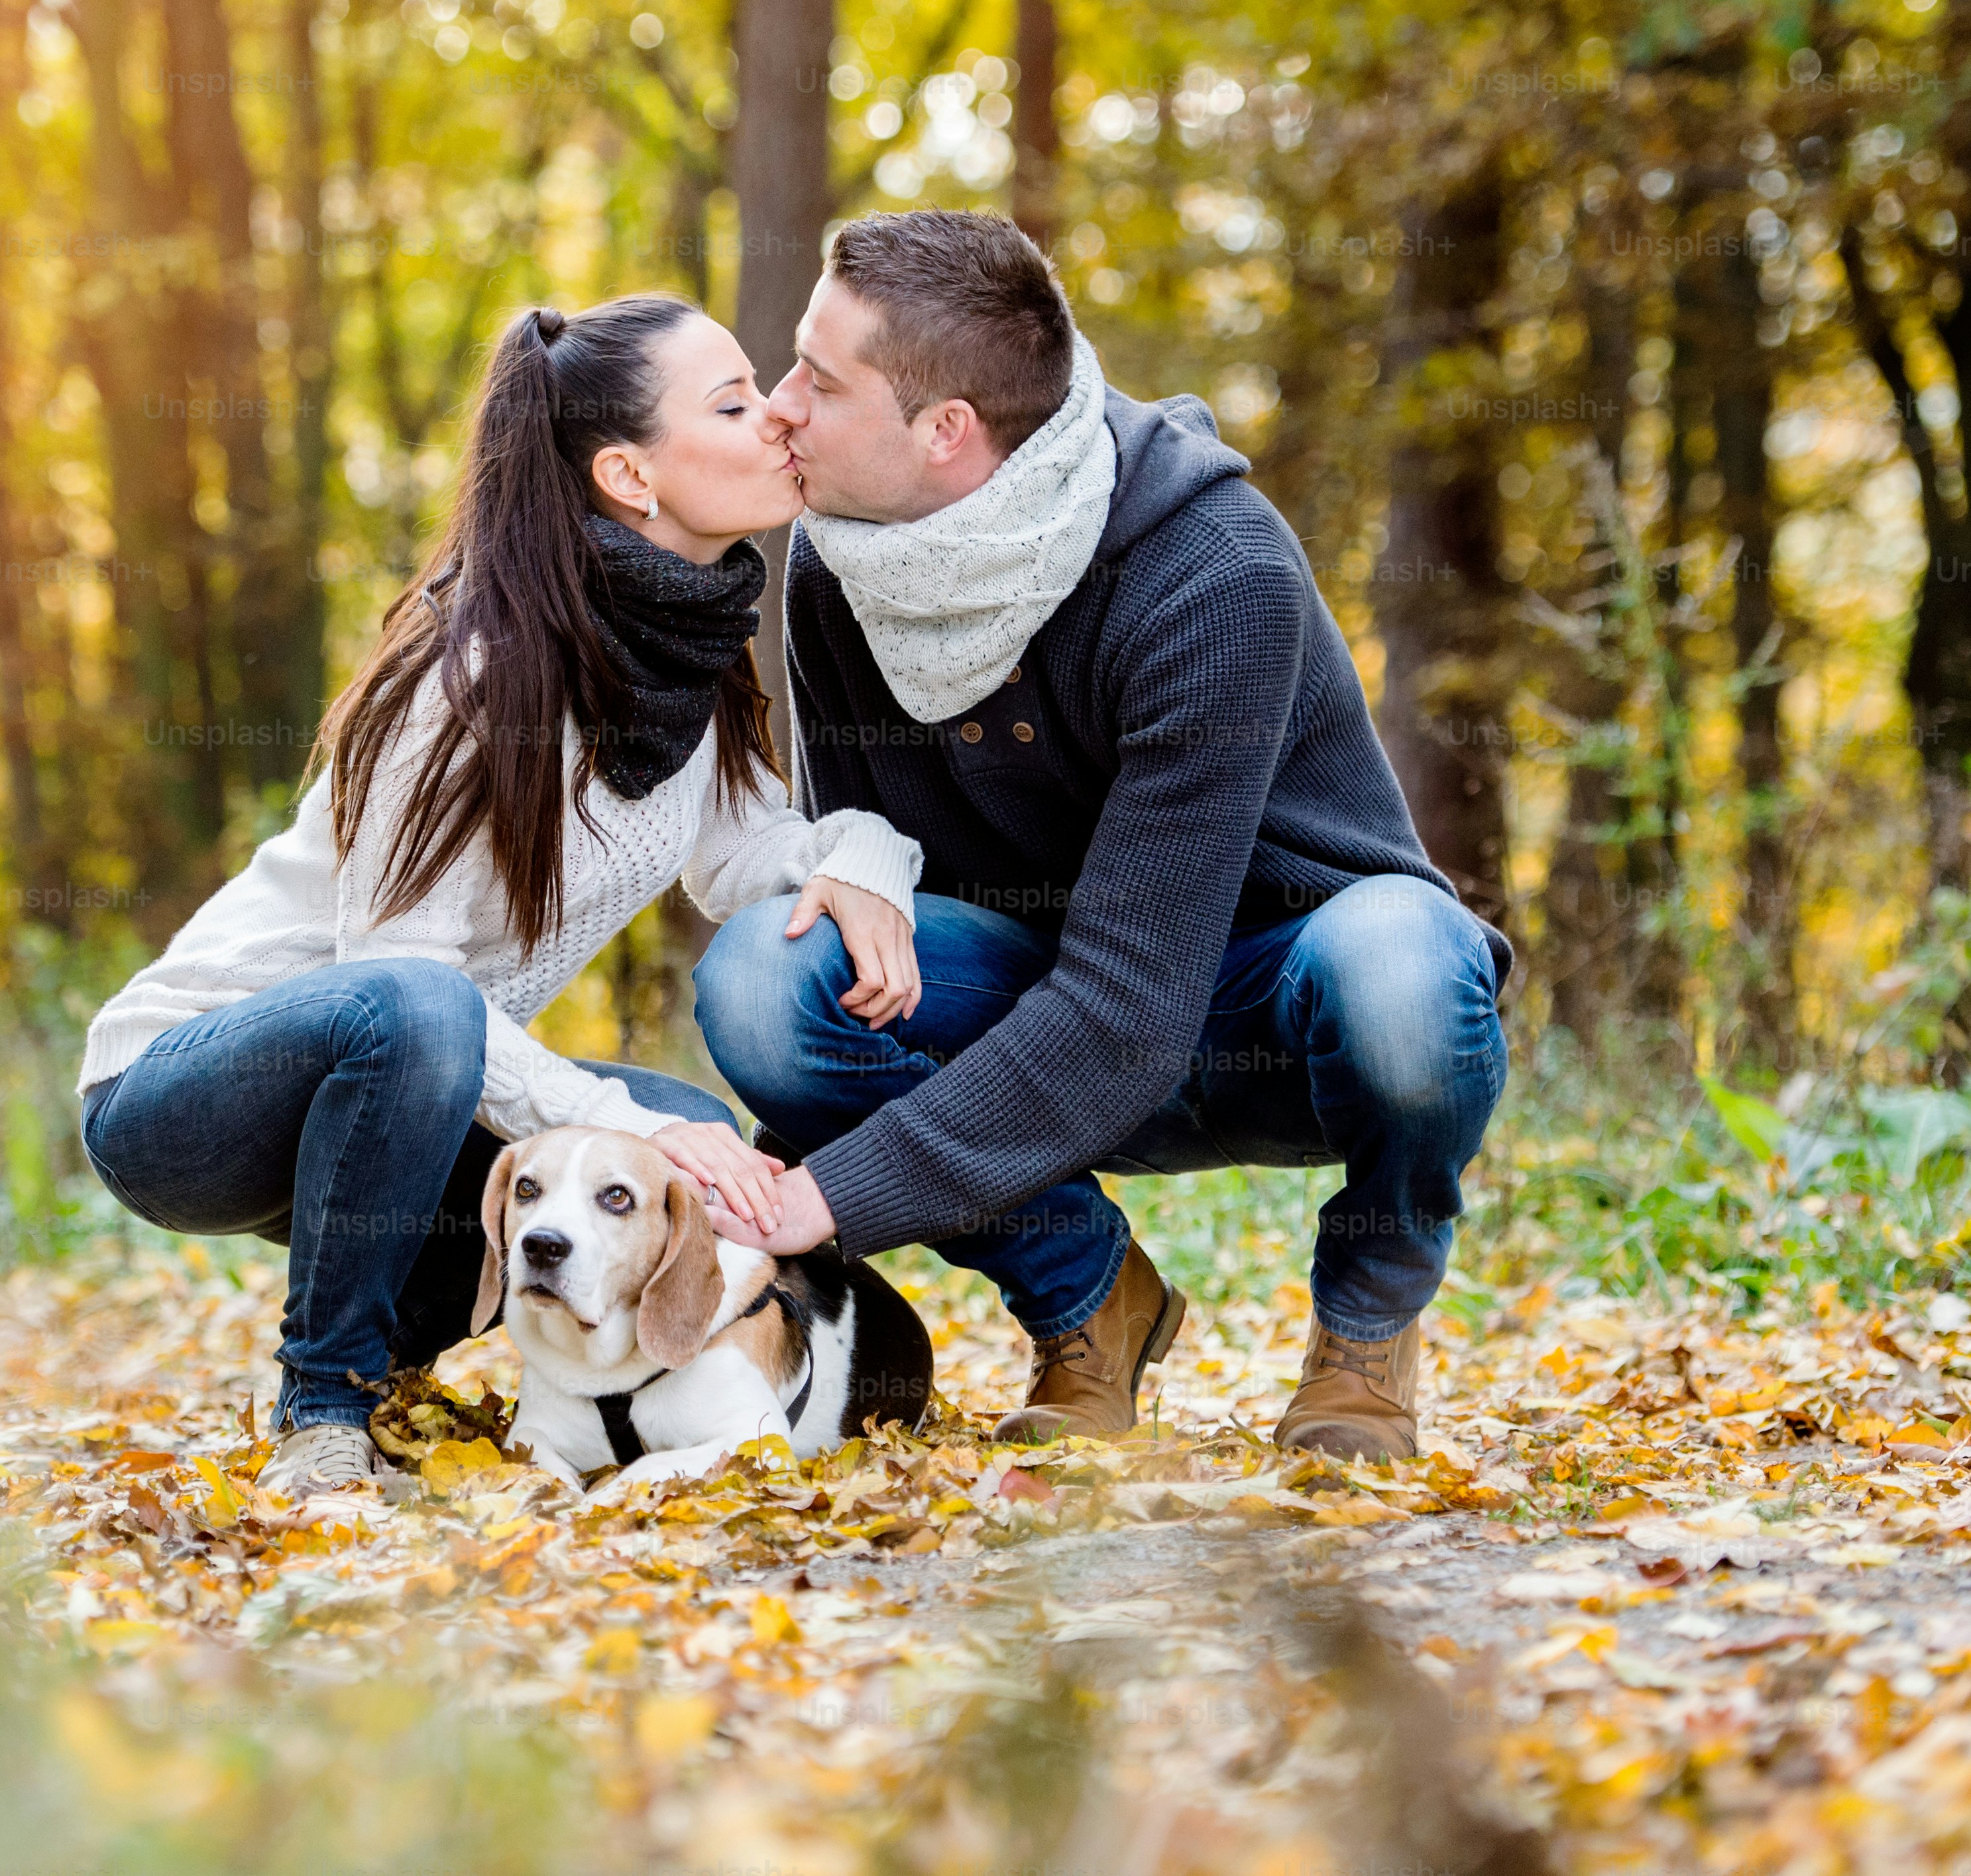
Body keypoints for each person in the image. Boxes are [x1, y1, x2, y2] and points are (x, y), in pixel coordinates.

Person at [689, 209, 1514, 1458]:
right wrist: (780, 1176)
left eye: (822, 377)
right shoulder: (836, 565)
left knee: (1409, 958)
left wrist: (830, 1197)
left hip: (1271, 1005)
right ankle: (1091, 1307)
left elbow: (1132, 1003)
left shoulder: (1209, 570)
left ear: (946, 431)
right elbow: (865, 869)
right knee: (765, 972)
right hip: (1027, 1006)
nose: (782, 404)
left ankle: (1366, 1335)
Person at [76, 295, 924, 1500]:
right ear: (630, 473)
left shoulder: (683, 651)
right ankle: (323, 1409)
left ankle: (485, 1371)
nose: (782, 413)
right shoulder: (468, 673)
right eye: (734, 402)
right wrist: (615, 1124)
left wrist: (867, 858)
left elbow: (747, 857)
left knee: (687, 1127)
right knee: (465, 1033)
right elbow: (400, 980)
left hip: (403, 1087)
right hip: (185, 1095)